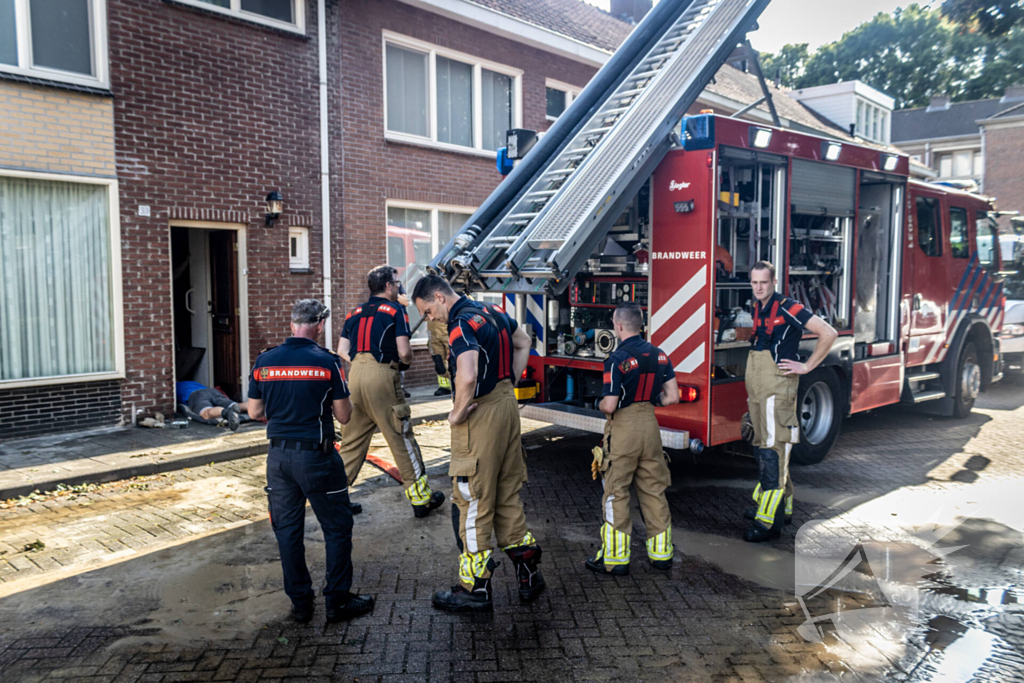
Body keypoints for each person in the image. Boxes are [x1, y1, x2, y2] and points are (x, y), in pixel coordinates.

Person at [412, 275, 545, 612]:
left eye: (427, 311)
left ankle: (474, 588)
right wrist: (510, 380)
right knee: (505, 492)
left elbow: (467, 374)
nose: (431, 319)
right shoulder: (492, 312)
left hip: (480, 413)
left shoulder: (459, 325)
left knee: (472, 498)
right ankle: (528, 571)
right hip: (506, 406)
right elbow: (523, 339)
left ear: (439, 297)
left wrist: (456, 414)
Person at [247, 299, 374, 623]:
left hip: (277, 459)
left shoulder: (264, 360)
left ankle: (301, 605)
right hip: (316, 458)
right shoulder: (326, 362)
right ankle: (337, 601)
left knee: (288, 532)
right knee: (337, 527)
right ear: (319, 326)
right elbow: (344, 417)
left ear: (292, 325)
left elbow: (255, 412)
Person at [338, 266, 444, 518]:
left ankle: (335, 500)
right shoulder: (395, 310)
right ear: (388, 286)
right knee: (401, 437)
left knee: (351, 443)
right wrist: (401, 363)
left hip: (355, 377)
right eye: (396, 283)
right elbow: (405, 351)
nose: (399, 287)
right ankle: (421, 499)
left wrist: (361, 363)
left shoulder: (353, 313)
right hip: (383, 376)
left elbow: (342, 349)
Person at [743, 261, 837, 542]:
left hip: (777, 389)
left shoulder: (788, 306)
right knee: (765, 446)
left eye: (763, 282)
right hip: (760, 387)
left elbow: (828, 333)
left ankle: (767, 522)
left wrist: (807, 366)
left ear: (773, 282)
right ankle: (782, 508)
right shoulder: (757, 307)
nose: (758, 288)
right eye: (754, 283)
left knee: (774, 451)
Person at [585, 302, 679, 575]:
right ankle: (661, 555)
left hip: (624, 429)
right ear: (641, 325)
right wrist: (650, 403)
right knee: (653, 489)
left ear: (618, 325)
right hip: (650, 426)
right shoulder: (660, 355)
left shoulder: (615, 360)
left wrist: (601, 405)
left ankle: (615, 560)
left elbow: (610, 405)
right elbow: (673, 396)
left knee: (616, 491)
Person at [175, 380, 249, 431]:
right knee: (233, 404)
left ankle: (225, 412)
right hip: (212, 391)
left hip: (196, 395)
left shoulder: (175, 386)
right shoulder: (192, 382)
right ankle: (252, 406)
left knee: (206, 413)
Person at [428, 318, 453, 396]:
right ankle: (444, 386)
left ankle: (457, 383)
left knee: (453, 359)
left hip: (446, 331)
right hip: (433, 333)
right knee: (438, 361)